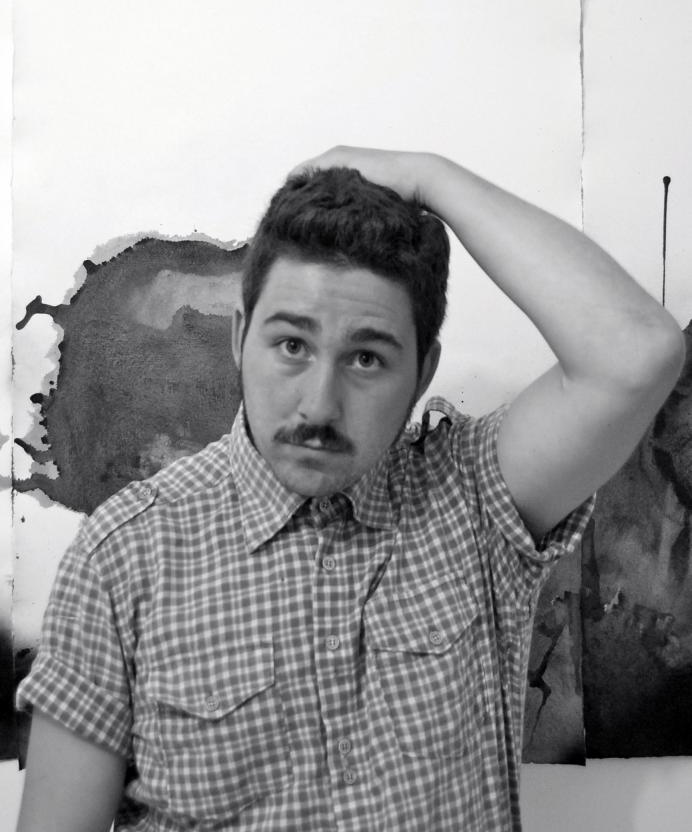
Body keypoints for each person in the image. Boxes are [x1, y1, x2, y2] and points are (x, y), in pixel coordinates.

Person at [16, 147, 684, 832]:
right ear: (241, 338)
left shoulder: (473, 494)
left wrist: (430, 176)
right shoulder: (122, 557)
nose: (319, 404)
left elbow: (637, 353)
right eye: (292, 345)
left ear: (422, 373)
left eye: (366, 358)